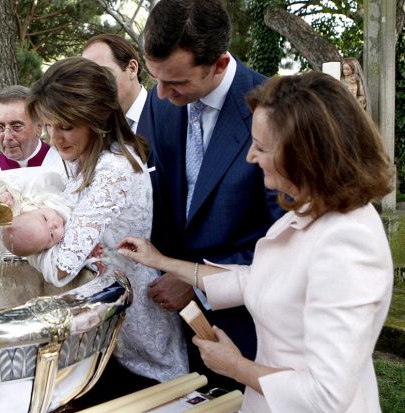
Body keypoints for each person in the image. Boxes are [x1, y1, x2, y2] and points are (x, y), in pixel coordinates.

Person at [119, 72, 394, 413]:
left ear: (305, 154)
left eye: (261, 147)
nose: (250, 157)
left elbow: (325, 396)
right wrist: (160, 261)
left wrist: (234, 366)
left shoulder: (348, 241)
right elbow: (257, 279)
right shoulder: (308, 209)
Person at [137, 0, 284, 388]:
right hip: (171, 319)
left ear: (219, 63)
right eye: (157, 79)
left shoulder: (274, 109)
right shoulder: (159, 101)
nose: (163, 94)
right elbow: (159, 195)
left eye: (178, 83)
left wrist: (198, 279)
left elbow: (285, 237)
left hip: (246, 324)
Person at [26, 57, 188, 405]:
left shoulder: (114, 167)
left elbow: (60, 267)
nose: (54, 138)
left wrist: (27, 243)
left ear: (96, 117)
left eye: (65, 126)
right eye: (49, 126)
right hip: (104, 335)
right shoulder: (84, 161)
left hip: (140, 337)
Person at [0, 85, 63, 252]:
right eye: (0, 127)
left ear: (39, 126)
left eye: (17, 127)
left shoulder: (63, 164)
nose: (7, 137)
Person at [0, 168, 71, 256]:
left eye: (45, 218)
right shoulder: (68, 233)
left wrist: (6, 195)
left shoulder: (31, 198)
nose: (54, 224)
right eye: (51, 235)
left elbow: (12, 184)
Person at [81, 34, 147, 133]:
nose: (94, 84)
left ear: (132, 69)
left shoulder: (170, 113)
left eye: (103, 73)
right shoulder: (94, 128)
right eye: (88, 76)